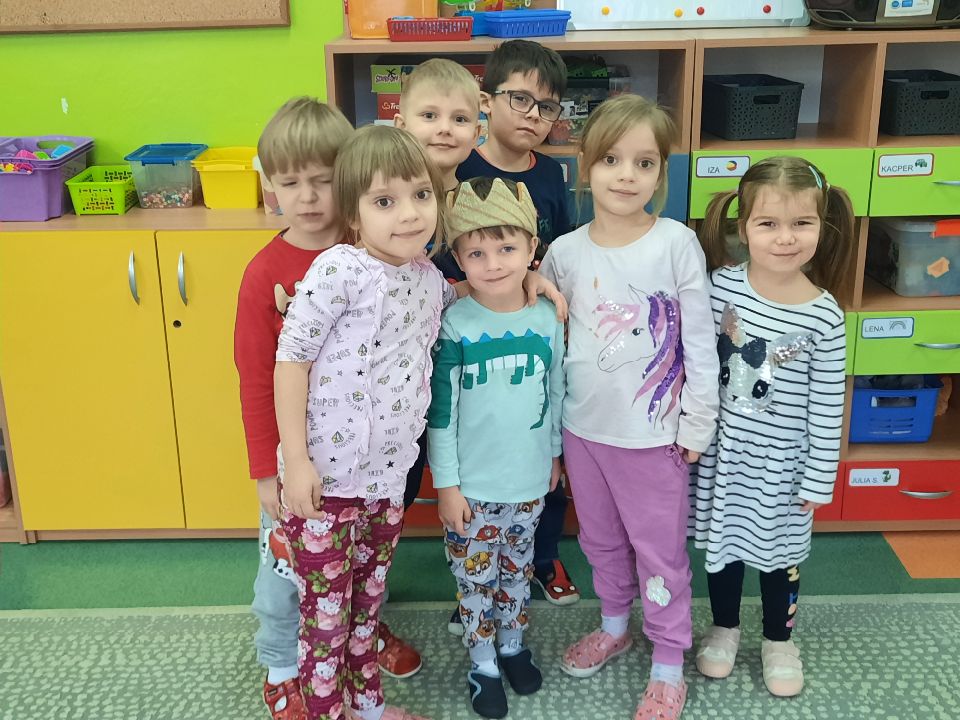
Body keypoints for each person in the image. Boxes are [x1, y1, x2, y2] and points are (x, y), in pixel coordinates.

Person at [274, 124, 563, 720]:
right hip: (327, 482)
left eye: (421, 195)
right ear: (353, 213)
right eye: (385, 201)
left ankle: (368, 706)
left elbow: (483, 291)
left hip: (385, 481)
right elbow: (291, 361)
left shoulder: (430, 281)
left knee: (365, 608)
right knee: (325, 623)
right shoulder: (337, 269)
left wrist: (530, 276)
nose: (408, 214)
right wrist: (296, 462)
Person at [540, 94, 720, 720]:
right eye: (612, 160)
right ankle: (615, 624)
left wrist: (698, 421)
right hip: (584, 431)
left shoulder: (675, 243)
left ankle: (668, 658)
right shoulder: (565, 252)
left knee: (659, 551)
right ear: (585, 166)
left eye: (644, 163)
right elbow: (554, 342)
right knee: (599, 541)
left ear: (661, 172)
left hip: (654, 438)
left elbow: (700, 340)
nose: (626, 175)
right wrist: (554, 436)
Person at [691, 156, 853, 698]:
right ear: (743, 228)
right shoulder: (720, 288)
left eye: (801, 223)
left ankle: (779, 641)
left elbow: (828, 405)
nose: (786, 238)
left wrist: (818, 478)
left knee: (780, 557)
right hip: (725, 456)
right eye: (768, 223)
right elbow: (696, 363)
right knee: (724, 547)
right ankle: (724, 628)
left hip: (783, 466)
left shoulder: (825, 316)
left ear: (822, 226)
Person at [427, 177, 565, 719]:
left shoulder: (548, 317)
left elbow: (555, 392)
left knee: (517, 571)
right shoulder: (454, 323)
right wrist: (447, 485)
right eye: (476, 253)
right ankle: (482, 663)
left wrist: (554, 454)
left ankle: (511, 646)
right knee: (475, 580)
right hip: (472, 488)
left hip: (528, 479)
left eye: (507, 248)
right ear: (459, 260)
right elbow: (442, 414)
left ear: (532, 250)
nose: (492, 264)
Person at [235, 96, 354, 720]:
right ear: (270, 186)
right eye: (289, 183)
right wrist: (266, 471)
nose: (306, 197)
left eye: (323, 180)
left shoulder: (370, 249)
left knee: (352, 563)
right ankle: (282, 663)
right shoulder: (265, 273)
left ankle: (355, 638)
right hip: (293, 457)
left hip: (358, 457)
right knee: (284, 573)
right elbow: (255, 379)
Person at [456, 38, 580, 611]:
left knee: (542, 444)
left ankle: (542, 556)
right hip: (472, 333)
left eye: (547, 106)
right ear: (486, 100)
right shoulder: (461, 167)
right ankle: (475, 569)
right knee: (478, 446)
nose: (534, 116)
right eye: (521, 99)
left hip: (534, 333)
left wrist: (537, 280)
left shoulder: (551, 173)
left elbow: (558, 251)